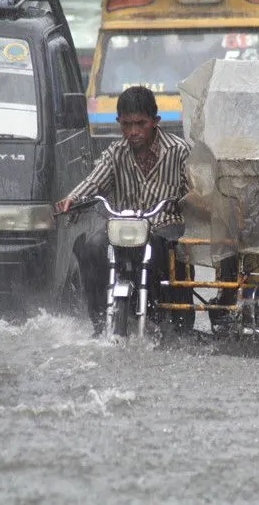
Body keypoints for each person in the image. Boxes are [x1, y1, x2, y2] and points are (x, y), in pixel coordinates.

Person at [55, 86, 194, 337]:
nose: (133, 132)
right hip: (121, 227)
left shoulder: (178, 151)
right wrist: (73, 199)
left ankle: (173, 319)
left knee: (173, 252)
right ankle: (99, 323)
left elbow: (194, 192)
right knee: (92, 246)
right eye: (127, 124)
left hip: (163, 228)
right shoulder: (115, 153)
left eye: (140, 124)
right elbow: (94, 181)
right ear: (118, 122)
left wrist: (196, 202)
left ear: (155, 121)